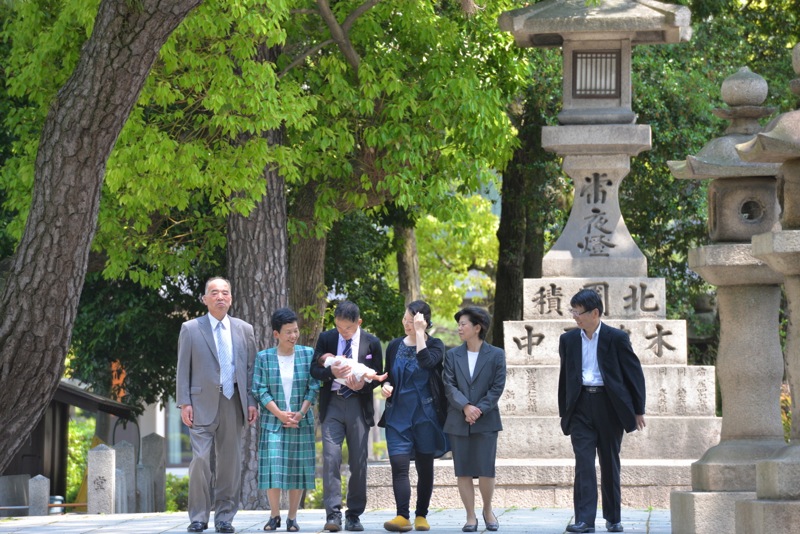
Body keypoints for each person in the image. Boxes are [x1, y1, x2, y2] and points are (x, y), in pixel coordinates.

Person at [559, 289, 647, 534]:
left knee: (609, 462)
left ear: (595, 313)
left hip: (609, 406)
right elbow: (564, 376)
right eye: (573, 312)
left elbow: (633, 374)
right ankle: (585, 520)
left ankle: (613, 517)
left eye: (579, 312)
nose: (575, 317)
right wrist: (564, 410)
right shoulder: (568, 340)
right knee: (584, 463)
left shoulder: (616, 337)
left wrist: (638, 409)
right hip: (579, 407)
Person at [176, 277, 258, 534]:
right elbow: (182, 369)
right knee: (200, 461)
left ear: (231, 298)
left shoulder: (245, 329)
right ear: (205, 299)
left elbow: (251, 369)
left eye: (225, 293)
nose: (220, 297)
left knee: (229, 464)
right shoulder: (191, 328)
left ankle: (224, 517)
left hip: (234, 402)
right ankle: (199, 517)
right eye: (214, 293)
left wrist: (252, 401)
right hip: (200, 403)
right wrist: (184, 402)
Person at [311, 300, 384, 532]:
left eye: (348, 329)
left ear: (358, 323)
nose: (343, 333)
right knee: (331, 458)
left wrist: (360, 385)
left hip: (358, 406)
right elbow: (314, 369)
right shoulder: (326, 338)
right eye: (339, 327)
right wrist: (331, 373)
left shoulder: (372, 342)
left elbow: (377, 377)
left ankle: (354, 514)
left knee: (358, 462)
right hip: (332, 404)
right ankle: (333, 514)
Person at [378, 300, 449, 533]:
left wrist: (420, 333)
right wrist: (386, 386)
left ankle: (421, 515)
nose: (405, 324)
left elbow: (426, 361)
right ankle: (402, 515)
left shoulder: (436, 345)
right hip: (398, 414)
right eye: (405, 320)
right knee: (399, 466)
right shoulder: (394, 345)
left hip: (425, 416)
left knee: (424, 467)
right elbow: (388, 374)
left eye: (411, 321)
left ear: (423, 322)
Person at [252, 308, 320, 532]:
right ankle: (274, 515)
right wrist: (280, 414)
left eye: (296, 330)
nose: (293, 335)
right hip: (274, 422)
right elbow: (259, 390)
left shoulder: (308, 354)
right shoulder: (264, 357)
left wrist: (300, 413)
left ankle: (292, 517)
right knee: (273, 467)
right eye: (288, 332)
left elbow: (313, 386)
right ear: (276, 334)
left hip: (301, 421)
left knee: (297, 469)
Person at [443, 306, 506, 533]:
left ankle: (487, 510)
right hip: (458, 420)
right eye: (458, 324)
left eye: (463, 324)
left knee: (486, 470)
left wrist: (478, 409)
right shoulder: (451, 355)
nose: (459, 328)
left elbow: (497, 387)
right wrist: (465, 407)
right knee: (463, 470)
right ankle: (470, 516)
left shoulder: (496, 355)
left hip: (486, 419)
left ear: (477, 327)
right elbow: (448, 385)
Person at [320, 354, 388, 385]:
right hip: (349, 372)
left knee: (363, 371)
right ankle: (377, 377)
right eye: (332, 355)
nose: (334, 356)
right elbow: (335, 360)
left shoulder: (372, 341)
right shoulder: (328, 361)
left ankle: (376, 377)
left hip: (351, 375)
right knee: (362, 372)